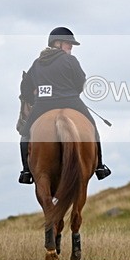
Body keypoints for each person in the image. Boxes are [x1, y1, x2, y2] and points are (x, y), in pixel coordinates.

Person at [17, 27, 111, 184]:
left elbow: (25, 87)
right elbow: (81, 81)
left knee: (25, 134)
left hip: (42, 105)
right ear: (58, 43)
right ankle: (100, 167)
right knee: (92, 128)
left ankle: (26, 171)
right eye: (69, 44)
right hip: (70, 101)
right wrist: (69, 92)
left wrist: (37, 95)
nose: (71, 47)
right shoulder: (70, 60)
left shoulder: (37, 63)